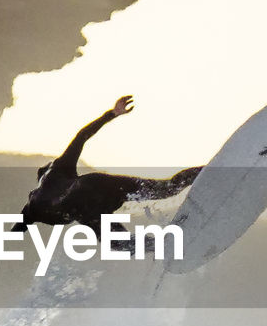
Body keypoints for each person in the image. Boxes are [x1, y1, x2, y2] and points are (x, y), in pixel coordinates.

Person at [12, 96, 202, 236]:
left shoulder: (34, 204)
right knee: (166, 189)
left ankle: (164, 244)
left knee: (121, 243)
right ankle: (207, 169)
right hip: (97, 186)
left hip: (85, 205)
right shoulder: (58, 168)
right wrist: (111, 114)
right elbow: (81, 136)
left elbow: (15, 230)